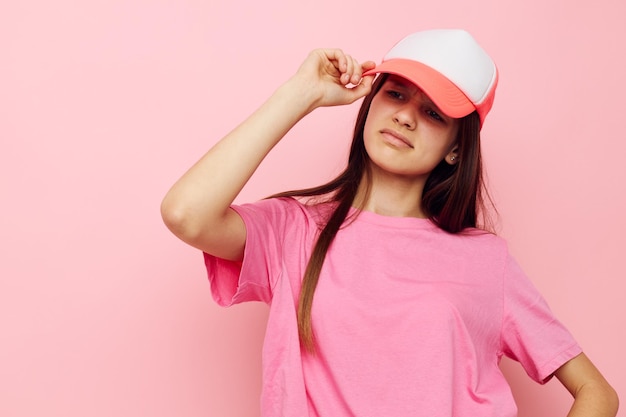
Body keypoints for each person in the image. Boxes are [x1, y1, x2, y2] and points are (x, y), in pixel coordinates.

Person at [161, 29, 618, 416]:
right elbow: (187, 213)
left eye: (433, 113)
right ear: (370, 101)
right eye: (395, 93)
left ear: (457, 148)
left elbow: (597, 393)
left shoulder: (485, 260)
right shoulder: (294, 230)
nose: (405, 116)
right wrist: (301, 94)